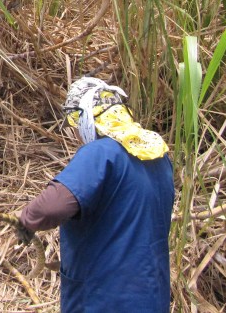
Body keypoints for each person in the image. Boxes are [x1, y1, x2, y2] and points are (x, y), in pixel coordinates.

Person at [16, 77, 174, 312]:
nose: (78, 135)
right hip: (152, 295)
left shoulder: (101, 154)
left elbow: (53, 206)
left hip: (105, 299)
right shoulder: (158, 156)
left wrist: (26, 219)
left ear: (87, 120)